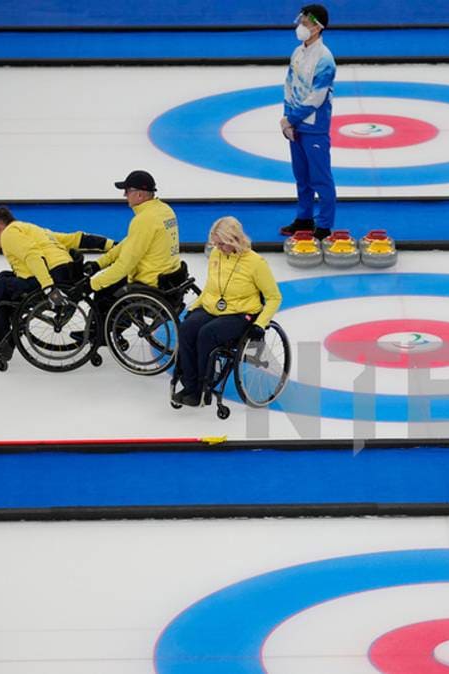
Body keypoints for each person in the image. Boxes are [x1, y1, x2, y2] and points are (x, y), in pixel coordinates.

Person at [0, 206, 113, 360]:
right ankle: (7, 332)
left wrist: (48, 288)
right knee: (3, 277)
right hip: (68, 274)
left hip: (52, 278)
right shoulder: (33, 229)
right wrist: (111, 245)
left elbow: (33, 256)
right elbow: (76, 238)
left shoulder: (9, 234)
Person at [175, 216, 282, 407]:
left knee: (207, 334)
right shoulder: (216, 255)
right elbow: (210, 287)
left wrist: (260, 323)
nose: (218, 248)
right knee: (186, 329)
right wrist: (195, 306)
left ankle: (202, 386)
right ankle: (189, 384)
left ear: (235, 240)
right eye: (215, 244)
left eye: (222, 244)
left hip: (241, 313)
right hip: (213, 307)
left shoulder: (256, 263)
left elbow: (274, 297)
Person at [74, 170, 182, 345]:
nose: (125, 195)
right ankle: (116, 329)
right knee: (112, 283)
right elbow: (129, 243)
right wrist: (99, 264)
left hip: (150, 281)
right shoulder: (164, 210)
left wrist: (91, 284)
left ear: (139, 194)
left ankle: (100, 335)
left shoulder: (144, 220)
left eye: (127, 191)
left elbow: (125, 265)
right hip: (169, 276)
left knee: (104, 291)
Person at [277, 4, 337, 240]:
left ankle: (324, 225)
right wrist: (287, 120)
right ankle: (304, 218)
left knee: (320, 178)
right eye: (301, 20)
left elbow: (317, 97)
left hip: (314, 127)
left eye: (306, 22)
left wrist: (290, 119)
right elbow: (289, 86)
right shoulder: (297, 52)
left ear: (317, 28)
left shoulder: (325, 59)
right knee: (301, 177)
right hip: (295, 125)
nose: (301, 26)